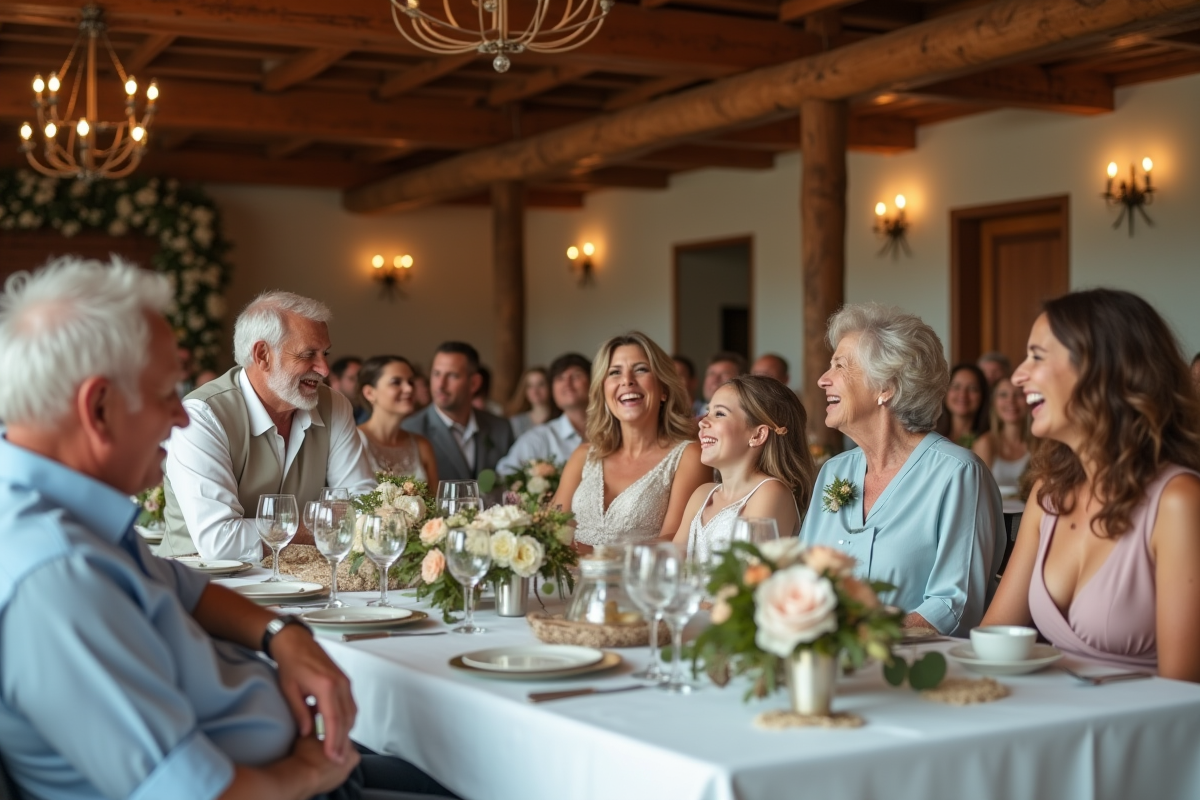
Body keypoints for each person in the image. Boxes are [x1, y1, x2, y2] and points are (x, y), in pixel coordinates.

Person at [0, 257, 452, 800]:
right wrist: (312, 771)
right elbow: (194, 793)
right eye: (168, 392)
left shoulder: (69, 517)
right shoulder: (57, 575)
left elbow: (186, 587)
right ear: (99, 408)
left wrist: (282, 636)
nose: (182, 416)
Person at [981, 289, 1200, 681]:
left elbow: (1182, 697)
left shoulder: (1178, 502)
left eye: (1037, 356)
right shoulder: (1048, 494)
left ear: (1102, 369)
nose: (1017, 376)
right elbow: (992, 645)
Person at [799, 303, 1004, 635]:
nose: (823, 379)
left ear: (886, 387)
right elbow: (801, 574)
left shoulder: (956, 473)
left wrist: (862, 635)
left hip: (917, 669)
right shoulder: (834, 472)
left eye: (840, 366)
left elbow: (954, 604)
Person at [163, 292, 376, 561]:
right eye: (308, 354)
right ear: (263, 355)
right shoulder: (200, 415)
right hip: (201, 585)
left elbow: (364, 505)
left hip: (303, 582)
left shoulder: (335, 406)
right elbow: (220, 541)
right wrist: (318, 526)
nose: (323, 369)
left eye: (325, 354)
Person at [552, 332, 710, 549]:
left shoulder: (689, 456)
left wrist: (596, 557)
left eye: (641, 370)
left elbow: (675, 542)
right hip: (568, 580)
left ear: (663, 389)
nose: (627, 381)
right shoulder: (584, 455)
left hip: (643, 581)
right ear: (604, 390)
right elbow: (551, 527)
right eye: (615, 372)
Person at [672, 375, 816, 563]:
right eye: (708, 412)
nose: (702, 422)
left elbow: (747, 578)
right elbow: (670, 565)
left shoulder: (771, 493)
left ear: (758, 435)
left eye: (720, 414)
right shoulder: (702, 494)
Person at [401, 342, 514, 485]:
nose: (440, 385)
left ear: (474, 383)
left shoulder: (501, 428)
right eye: (436, 374)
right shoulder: (410, 430)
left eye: (452, 376)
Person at [497, 353, 592, 475]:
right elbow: (504, 474)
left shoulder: (614, 432)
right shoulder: (537, 438)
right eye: (560, 378)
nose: (567, 383)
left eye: (576, 376)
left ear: (593, 382)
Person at [356, 355, 439, 483]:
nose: (409, 389)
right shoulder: (354, 441)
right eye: (396, 382)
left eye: (411, 382)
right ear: (369, 393)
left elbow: (436, 501)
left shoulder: (422, 446)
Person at [971, 376, 1031, 492]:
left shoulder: (1041, 444)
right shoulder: (985, 443)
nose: (1011, 401)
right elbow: (977, 490)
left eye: (1018, 395)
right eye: (1003, 395)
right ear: (994, 403)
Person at [935, 363, 989, 449]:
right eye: (956, 387)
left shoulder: (991, 441)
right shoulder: (930, 436)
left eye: (972, 388)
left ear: (983, 395)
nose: (963, 395)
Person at [505, 366, 557, 439]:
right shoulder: (516, 423)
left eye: (541, 384)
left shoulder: (561, 419)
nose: (535, 391)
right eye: (530, 386)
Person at [330, 355, 368, 424]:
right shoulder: (324, 411)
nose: (358, 384)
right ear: (335, 380)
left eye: (361, 379)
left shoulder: (364, 412)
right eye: (352, 378)